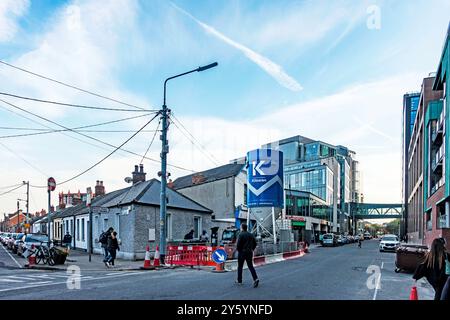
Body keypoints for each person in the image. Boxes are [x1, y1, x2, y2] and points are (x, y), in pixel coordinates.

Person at [235, 223, 259, 288]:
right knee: (250, 266)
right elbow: (255, 243)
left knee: (240, 266)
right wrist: (252, 249)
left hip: (242, 252)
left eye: (240, 227)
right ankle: (255, 278)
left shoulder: (241, 234)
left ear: (242, 228)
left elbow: (238, 244)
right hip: (249, 252)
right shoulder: (251, 235)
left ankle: (239, 280)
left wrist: (239, 250)